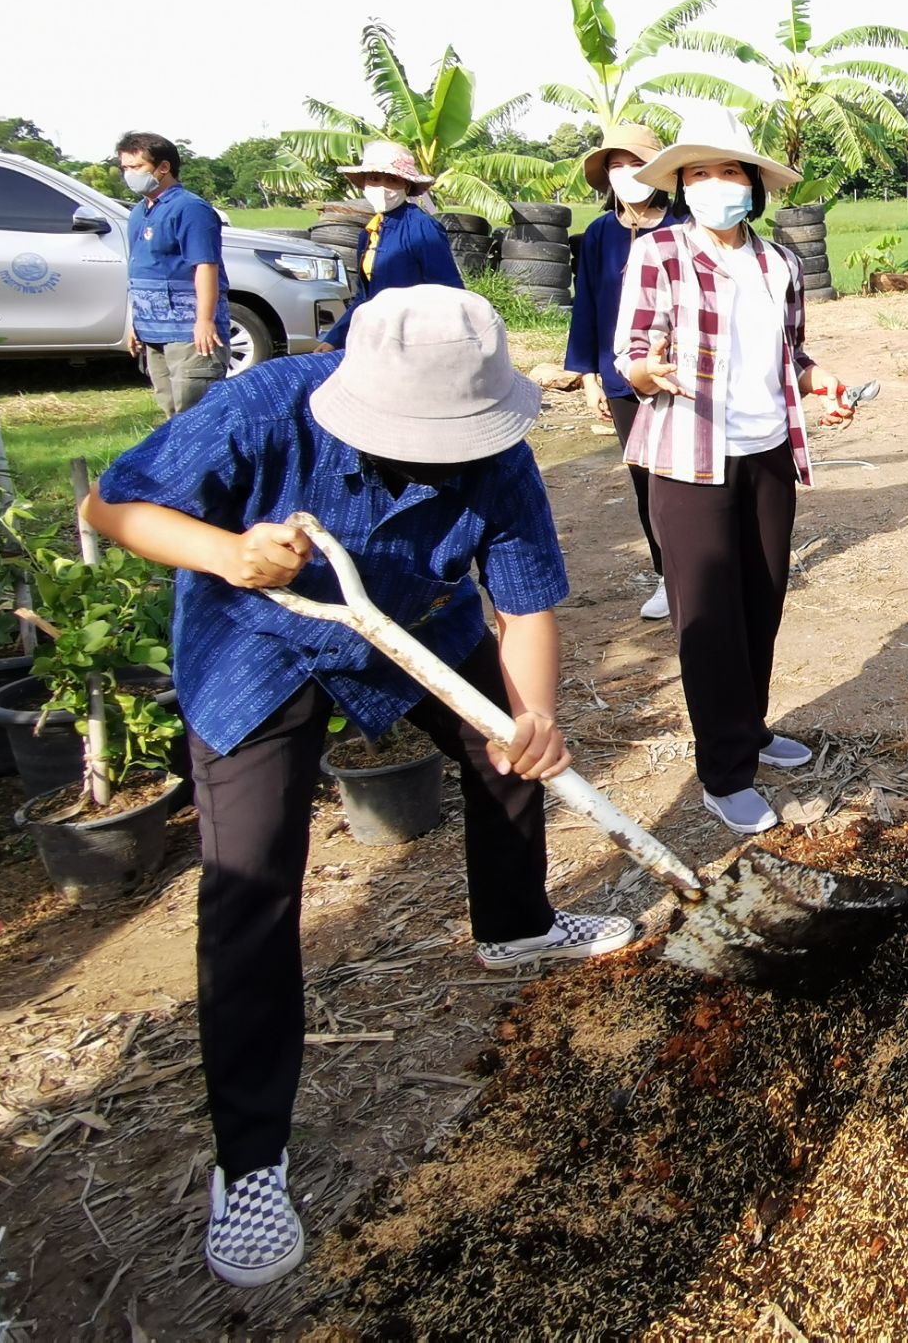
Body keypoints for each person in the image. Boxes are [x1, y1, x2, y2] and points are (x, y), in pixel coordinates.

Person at [83, 286, 634, 1290]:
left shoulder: (500, 459)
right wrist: (228, 553)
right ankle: (249, 1160)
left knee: (498, 746)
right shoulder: (262, 410)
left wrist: (534, 717)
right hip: (258, 642)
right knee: (250, 890)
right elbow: (109, 504)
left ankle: (514, 924)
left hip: (415, 623)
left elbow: (524, 608)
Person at [615, 106, 856, 837]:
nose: (715, 184)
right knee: (710, 615)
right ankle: (724, 772)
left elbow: (794, 352)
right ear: (682, 185)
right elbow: (631, 351)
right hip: (689, 459)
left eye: (728, 171)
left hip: (768, 452)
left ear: (752, 184)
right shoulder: (659, 252)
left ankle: (747, 728)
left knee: (763, 599)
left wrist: (822, 385)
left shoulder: (778, 261)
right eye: (698, 172)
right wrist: (647, 371)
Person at [565, 123, 689, 622]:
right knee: (646, 481)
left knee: (694, 473)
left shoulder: (684, 226)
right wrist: (590, 377)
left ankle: (707, 566)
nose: (625, 174)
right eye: (615, 166)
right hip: (622, 378)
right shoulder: (598, 235)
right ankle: (667, 575)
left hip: (682, 374)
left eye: (634, 163)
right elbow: (588, 307)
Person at [116, 131, 230, 417]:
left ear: (163, 167)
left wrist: (204, 320)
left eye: (136, 167)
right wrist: (135, 323)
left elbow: (205, 266)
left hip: (188, 333)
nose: (129, 174)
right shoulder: (140, 211)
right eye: (125, 168)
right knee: (170, 415)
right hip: (153, 332)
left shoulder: (190, 209)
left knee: (195, 415)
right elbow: (140, 270)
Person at [320, 140, 463, 350]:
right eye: (374, 179)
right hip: (377, 338)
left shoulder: (422, 228)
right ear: (365, 183)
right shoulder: (370, 233)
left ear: (405, 184)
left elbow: (449, 292)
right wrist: (333, 339)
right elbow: (364, 298)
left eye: (392, 180)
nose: (382, 187)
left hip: (414, 341)